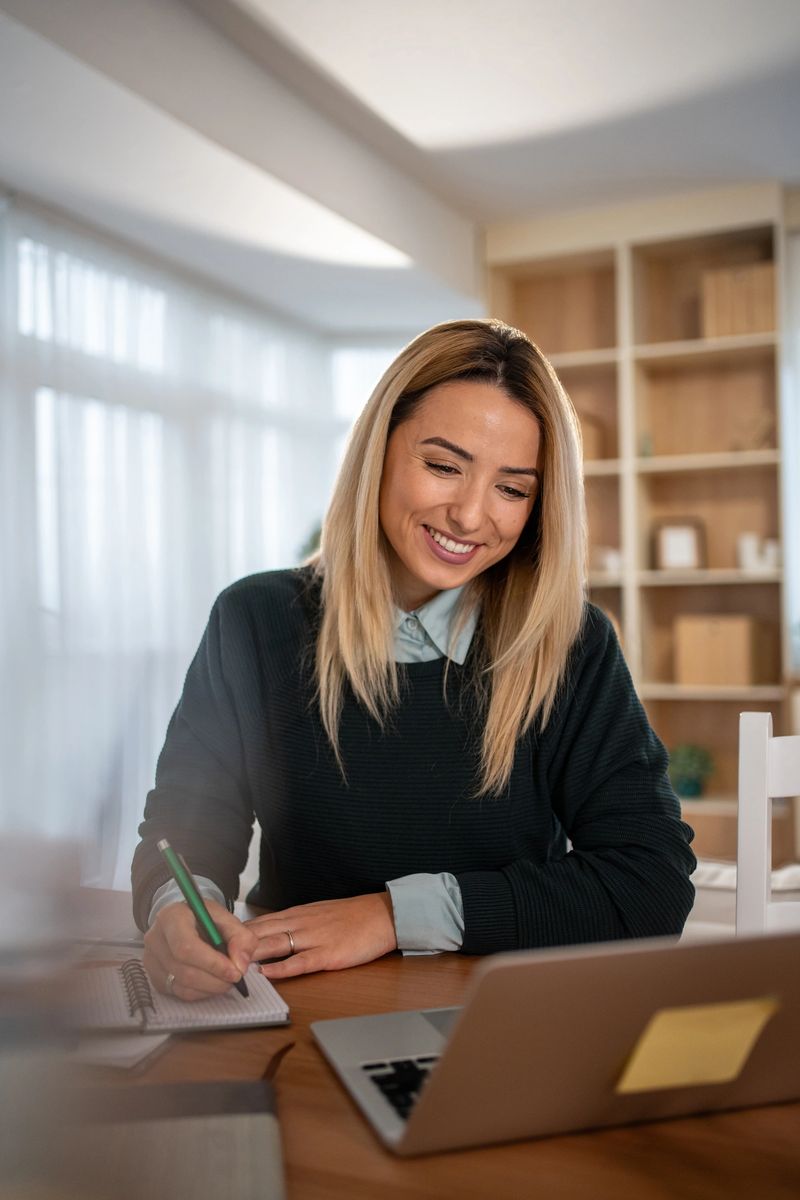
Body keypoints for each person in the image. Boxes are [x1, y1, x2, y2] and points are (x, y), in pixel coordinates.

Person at [133, 319, 695, 1001]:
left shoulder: (573, 645)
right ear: (380, 452)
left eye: (512, 489)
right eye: (443, 466)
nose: (469, 515)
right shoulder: (255, 622)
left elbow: (651, 883)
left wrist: (393, 916)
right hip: (299, 1005)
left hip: (502, 1016)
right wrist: (172, 910)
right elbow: (185, 833)